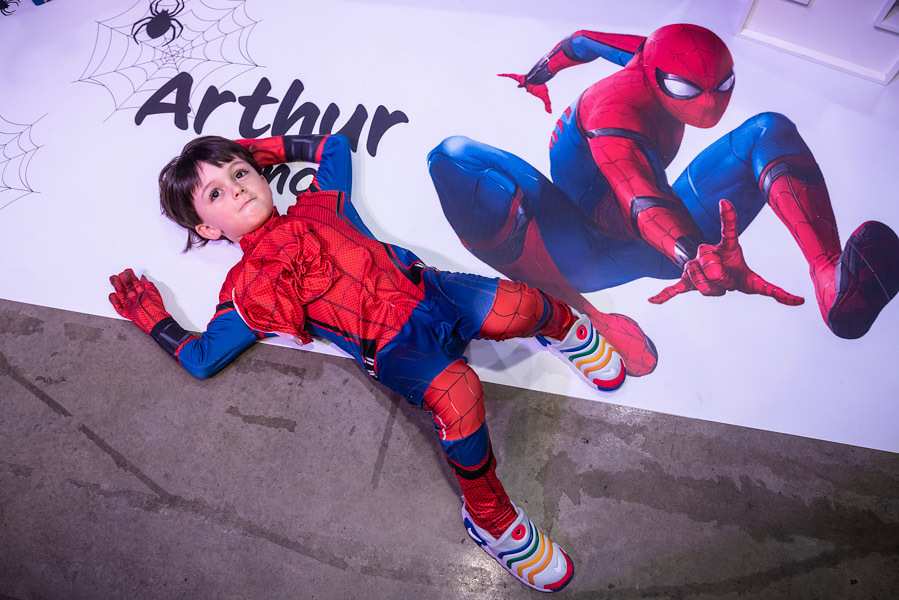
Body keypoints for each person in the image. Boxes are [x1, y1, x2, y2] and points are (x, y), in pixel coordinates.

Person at [108, 132, 629, 592]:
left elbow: (333, 146)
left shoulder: (321, 203)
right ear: (207, 229)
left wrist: (258, 150)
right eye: (216, 194)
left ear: (262, 173)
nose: (238, 188)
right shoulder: (250, 289)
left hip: (433, 291)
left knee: (524, 304)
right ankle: (489, 518)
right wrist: (154, 319)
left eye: (240, 174)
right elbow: (202, 358)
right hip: (396, 348)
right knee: (459, 392)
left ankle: (568, 330)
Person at [428, 23, 899, 342]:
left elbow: (582, 41)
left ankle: (830, 279)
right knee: (455, 158)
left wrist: (540, 74)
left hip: (670, 240)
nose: (709, 104)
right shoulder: (613, 113)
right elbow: (640, 198)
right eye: (687, 90)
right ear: (657, 77)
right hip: (588, 250)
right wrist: (694, 255)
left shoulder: (647, 56)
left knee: (769, 130)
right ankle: (559, 306)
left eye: (722, 85)